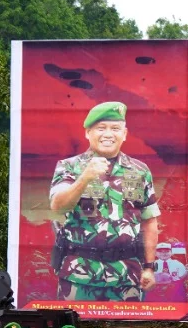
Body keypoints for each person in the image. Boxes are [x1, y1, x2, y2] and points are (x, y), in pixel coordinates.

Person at [48, 101, 160, 301]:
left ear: (124, 134)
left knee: (126, 323)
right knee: (73, 323)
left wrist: (149, 267)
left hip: (127, 276)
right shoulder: (69, 167)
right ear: (88, 133)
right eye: (101, 128)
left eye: (115, 128)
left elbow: (149, 221)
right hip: (79, 275)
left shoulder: (140, 170)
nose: (108, 134)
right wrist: (85, 177)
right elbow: (58, 206)